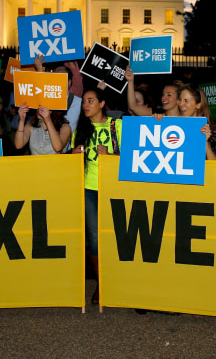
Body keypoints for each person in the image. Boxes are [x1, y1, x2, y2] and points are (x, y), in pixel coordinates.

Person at [71, 88, 121, 305]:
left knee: (116, 236)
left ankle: (118, 281)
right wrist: (72, 156)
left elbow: (134, 155)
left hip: (114, 188)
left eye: (90, 101)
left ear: (102, 104)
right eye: (84, 102)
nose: (86, 105)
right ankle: (102, 284)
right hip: (89, 188)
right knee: (93, 239)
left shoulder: (116, 126)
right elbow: (72, 164)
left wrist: (111, 156)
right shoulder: (80, 130)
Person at [177, 84, 216, 160]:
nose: (181, 104)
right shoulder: (175, 127)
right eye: (180, 100)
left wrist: (205, 142)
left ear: (198, 105)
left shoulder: (214, 132)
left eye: (186, 101)